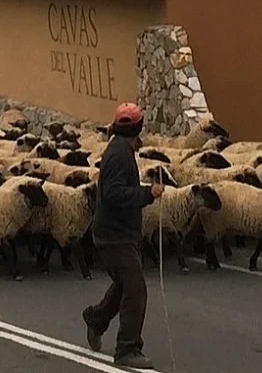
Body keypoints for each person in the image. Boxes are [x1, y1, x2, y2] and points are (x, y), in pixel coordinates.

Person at [82, 102, 164, 369]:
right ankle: (127, 348)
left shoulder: (120, 150)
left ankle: (96, 319)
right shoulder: (119, 154)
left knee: (124, 285)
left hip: (117, 233)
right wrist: (146, 194)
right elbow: (114, 194)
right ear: (139, 127)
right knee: (135, 288)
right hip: (114, 236)